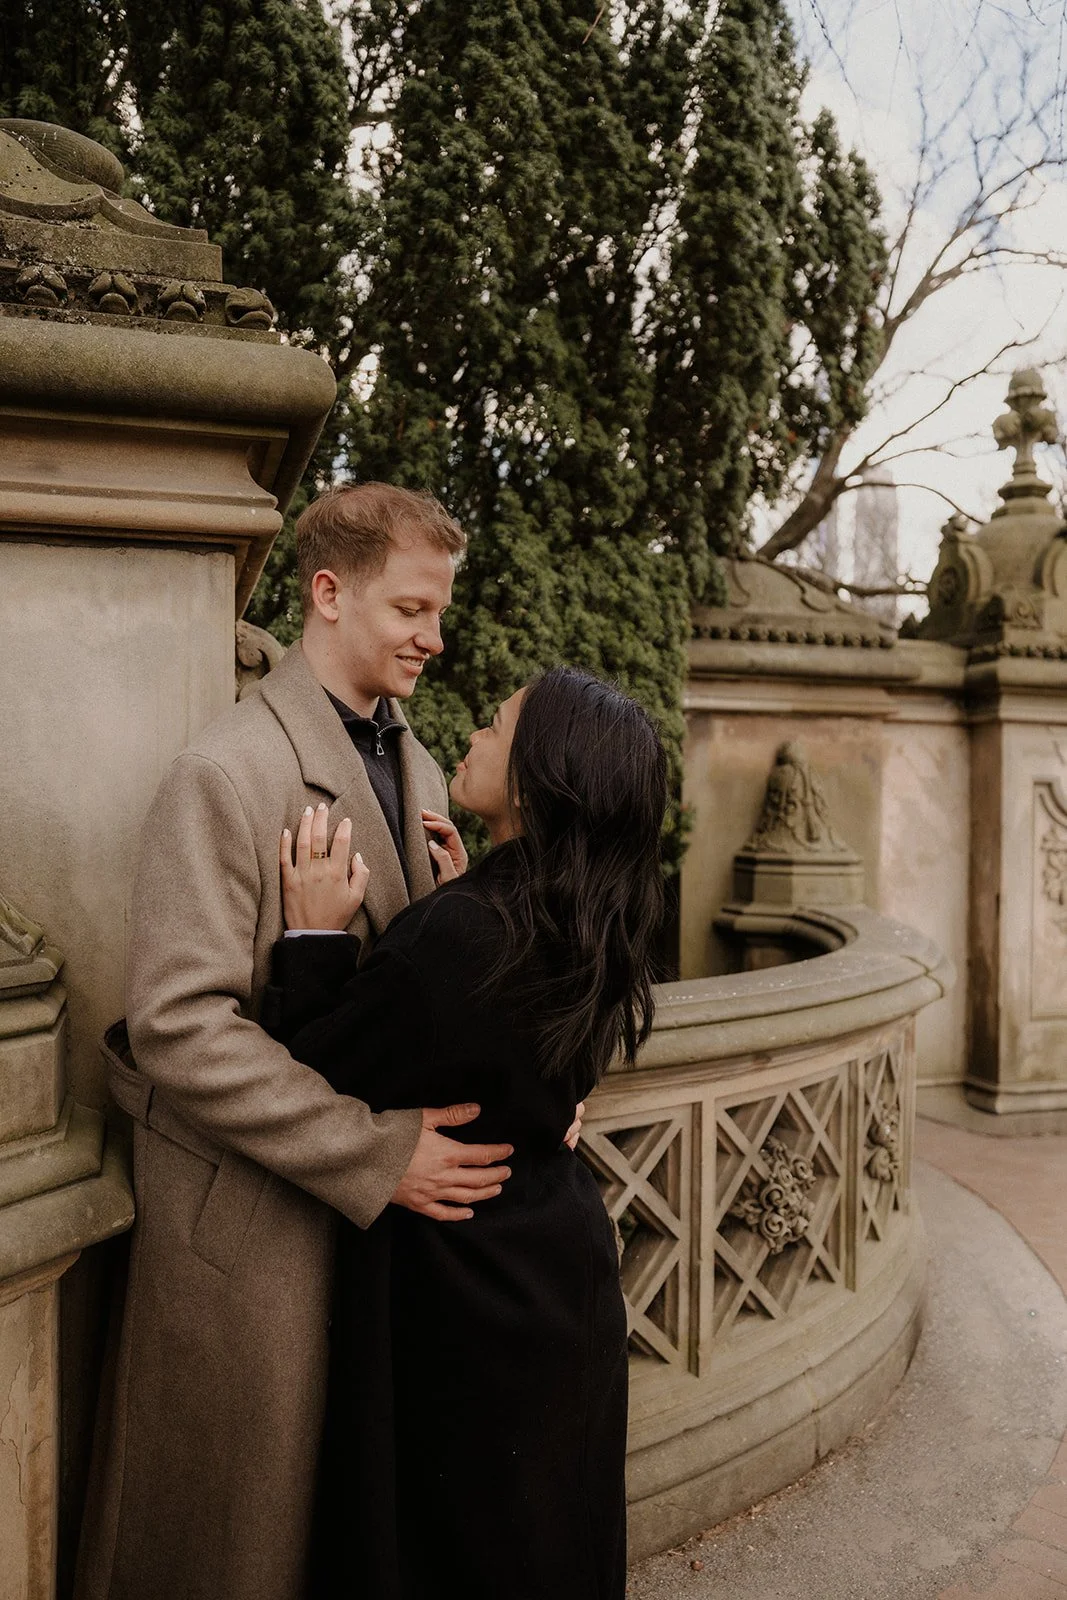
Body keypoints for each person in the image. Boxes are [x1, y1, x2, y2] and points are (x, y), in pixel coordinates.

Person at [75, 485, 521, 1600]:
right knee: (234, 1552)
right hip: (255, 1234)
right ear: (327, 593)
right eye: (412, 608)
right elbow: (179, 1026)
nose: (434, 635)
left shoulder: (419, 766)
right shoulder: (223, 773)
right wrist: (377, 1153)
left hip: (378, 1253)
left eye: (438, 611)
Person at [266, 666, 668, 1600]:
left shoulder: (464, 936)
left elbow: (313, 1074)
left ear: (532, 779)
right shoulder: (592, 916)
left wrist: (318, 942)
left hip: (467, 1297)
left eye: (495, 726)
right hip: (560, 1280)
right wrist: (459, 892)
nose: (474, 736)